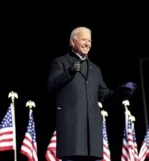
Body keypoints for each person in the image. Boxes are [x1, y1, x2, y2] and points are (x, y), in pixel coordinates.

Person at [47, 26, 136, 161]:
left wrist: (122, 92)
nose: (87, 43)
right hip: (72, 134)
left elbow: (105, 97)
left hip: (92, 137)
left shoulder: (95, 69)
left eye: (90, 41)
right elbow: (51, 87)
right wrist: (70, 71)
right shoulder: (60, 62)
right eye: (84, 40)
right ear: (72, 42)